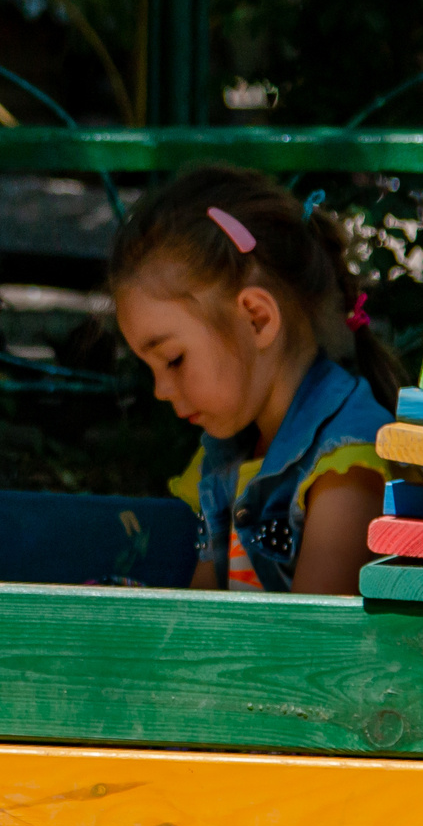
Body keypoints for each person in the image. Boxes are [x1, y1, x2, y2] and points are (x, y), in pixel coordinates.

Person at [106, 166, 398, 597]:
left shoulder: (346, 468)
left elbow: (314, 645)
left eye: (173, 359)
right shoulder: (225, 455)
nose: (161, 390)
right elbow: (201, 615)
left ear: (257, 319)